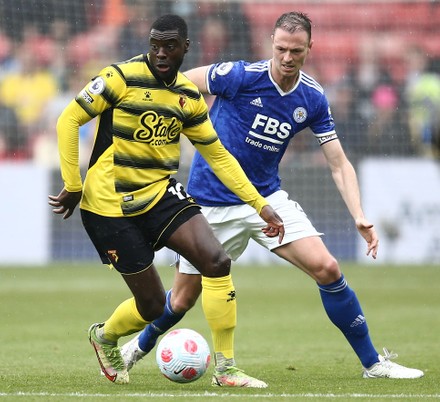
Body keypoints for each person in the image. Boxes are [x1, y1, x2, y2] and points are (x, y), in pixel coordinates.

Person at [121, 11, 424, 387]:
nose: (287, 58)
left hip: (265, 202)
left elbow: (339, 163)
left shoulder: (312, 97)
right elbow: (180, 81)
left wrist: (358, 214)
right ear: (271, 43)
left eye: (296, 51)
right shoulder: (239, 76)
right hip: (209, 204)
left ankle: (373, 362)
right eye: (281, 48)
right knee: (182, 300)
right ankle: (137, 346)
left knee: (328, 269)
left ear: (309, 48)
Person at [48, 14, 284, 385]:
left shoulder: (188, 97)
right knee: (154, 306)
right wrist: (73, 183)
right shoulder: (119, 78)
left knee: (217, 260)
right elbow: (68, 120)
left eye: (169, 46)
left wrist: (260, 204)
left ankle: (226, 369)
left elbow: (218, 155)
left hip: (159, 192)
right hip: (108, 205)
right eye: (154, 45)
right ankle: (105, 336)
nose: (160, 53)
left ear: (185, 48)